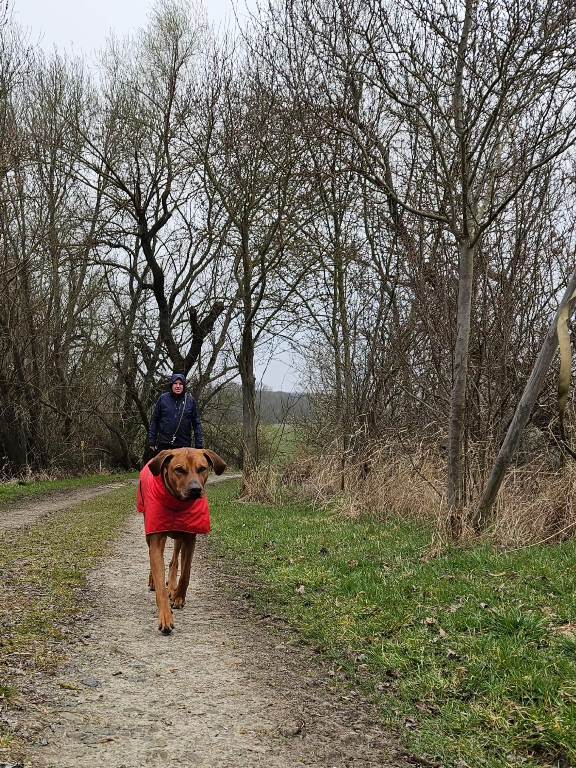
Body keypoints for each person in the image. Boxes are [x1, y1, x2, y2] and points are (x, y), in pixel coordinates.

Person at [148, 373, 204, 454]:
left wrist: (199, 445)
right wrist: (151, 441)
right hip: (164, 445)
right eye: (175, 383)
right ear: (171, 385)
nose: (178, 386)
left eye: (180, 384)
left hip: (183, 446)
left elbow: (197, 424)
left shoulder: (190, 401)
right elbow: (155, 421)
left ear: (184, 386)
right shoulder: (163, 398)